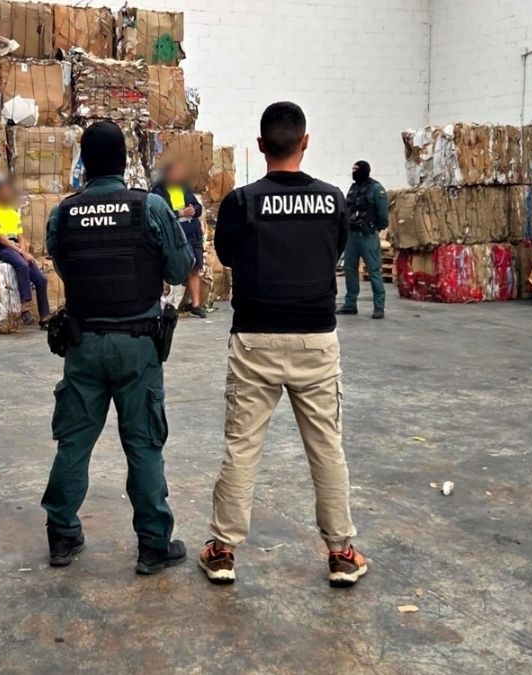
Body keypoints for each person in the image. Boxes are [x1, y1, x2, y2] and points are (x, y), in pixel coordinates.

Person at [199, 102, 367, 588]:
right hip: (316, 339)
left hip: (255, 340)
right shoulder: (332, 199)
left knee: (242, 447)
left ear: (260, 146)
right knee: (326, 448)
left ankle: (223, 550)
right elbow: (333, 250)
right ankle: (341, 552)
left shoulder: (241, 202)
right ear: (305, 142)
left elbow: (227, 256)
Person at [41, 121, 195, 575]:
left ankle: (62, 536)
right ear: (125, 161)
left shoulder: (62, 214)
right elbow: (177, 268)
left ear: (83, 162)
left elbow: (64, 264)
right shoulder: (149, 207)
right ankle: (153, 544)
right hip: (138, 344)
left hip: (83, 343)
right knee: (144, 445)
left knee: (74, 442)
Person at [0, 176, 51, 327]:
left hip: (16, 248)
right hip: (1, 248)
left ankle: (45, 317)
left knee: (41, 279)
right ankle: (24, 307)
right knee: (22, 265)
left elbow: (21, 236)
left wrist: (24, 251)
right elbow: (1, 239)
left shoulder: (13, 212)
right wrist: (21, 252)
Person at [152, 161, 207, 318]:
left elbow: (198, 207)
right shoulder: (159, 191)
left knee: (194, 267)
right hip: (175, 236)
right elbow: (162, 213)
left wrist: (193, 210)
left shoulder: (184, 187)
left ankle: (196, 306)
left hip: (192, 234)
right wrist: (180, 213)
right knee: (175, 268)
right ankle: (168, 304)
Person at [337, 160, 389, 320]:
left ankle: (379, 306)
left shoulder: (376, 189)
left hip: (367, 236)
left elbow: (383, 216)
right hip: (352, 236)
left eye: (356, 170)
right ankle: (350, 304)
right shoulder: (354, 188)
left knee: (374, 271)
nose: (354, 172)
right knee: (350, 270)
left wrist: (374, 229)